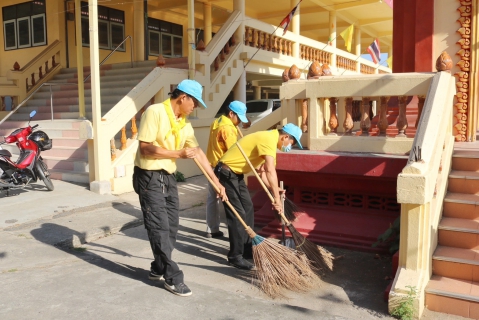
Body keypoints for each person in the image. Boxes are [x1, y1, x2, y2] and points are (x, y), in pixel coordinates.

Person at [133, 79, 227, 297]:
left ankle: (158, 267)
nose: (195, 107)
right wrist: (178, 154)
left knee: (172, 226)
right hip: (148, 177)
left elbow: (198, 154)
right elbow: (145, 148)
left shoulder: (184, 123)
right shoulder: (155, 112)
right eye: (194, 102)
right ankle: (172, 277)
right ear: (183, 97)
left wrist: (216, 182)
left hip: (168, 177)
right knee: (159, 228)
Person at [215, 123, 303, 270]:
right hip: (226, 172)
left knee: (248, 208)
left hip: (237, 174)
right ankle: (235, 256)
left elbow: (263, 173)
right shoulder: (268, 139)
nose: (290, 147)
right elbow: (270, 171)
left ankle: (247, 248)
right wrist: (276, 198)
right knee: (237, 214)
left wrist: (273, 190)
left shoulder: (271, 142)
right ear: (285, 137)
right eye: (292, 143)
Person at [205, 101, 248, 238]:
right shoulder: (228, 129)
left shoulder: (218, 121)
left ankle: (212, 229)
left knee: (212, 198)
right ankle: (236, 233)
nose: (240, 122)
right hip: (222, 168)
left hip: (211, 164)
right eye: (239, 118)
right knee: (228, 199)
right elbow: (233, 151)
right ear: (231, 114)